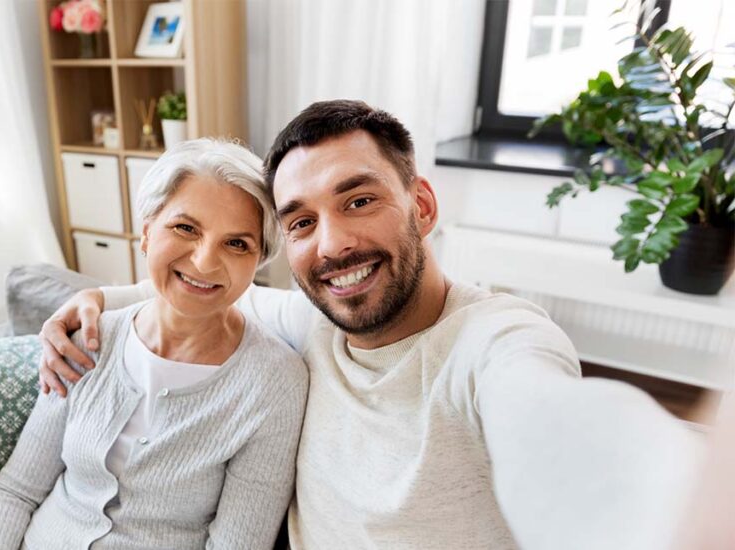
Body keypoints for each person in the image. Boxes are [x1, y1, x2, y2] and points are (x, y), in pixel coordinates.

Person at [39, 100, 704, 550]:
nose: (332, 246)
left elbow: (555, 426)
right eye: (301, 221)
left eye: (358, 200)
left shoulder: (500, 341)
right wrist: (93, 299)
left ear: (421, 205)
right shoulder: (313, 320)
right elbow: (195, 293)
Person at [0, 139, 308, 549]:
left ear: (258, 262)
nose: (204, 262)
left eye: (236, 244)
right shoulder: (87, 340)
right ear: (147, 234)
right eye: (185, 228)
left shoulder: (275, 383)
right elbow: (17, 490)